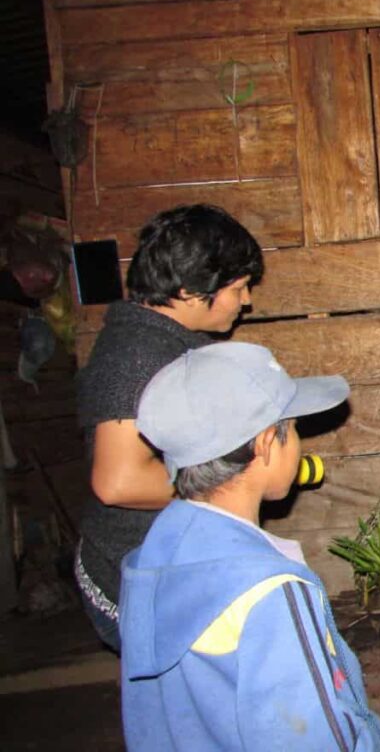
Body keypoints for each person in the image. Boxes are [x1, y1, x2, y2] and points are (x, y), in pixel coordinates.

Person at [122, 341, 380, 751]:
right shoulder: (272, 590)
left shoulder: (153, 558)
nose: (299, 442)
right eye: (294, 428)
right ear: (266, 443)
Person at [75, 204, 264, 650]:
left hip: (156, 564)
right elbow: (117, 483)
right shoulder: (138, 355)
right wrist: (230, 485)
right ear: (189, 289)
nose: (247, 300)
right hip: (132, 581)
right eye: (238, 288)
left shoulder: (164, 338)